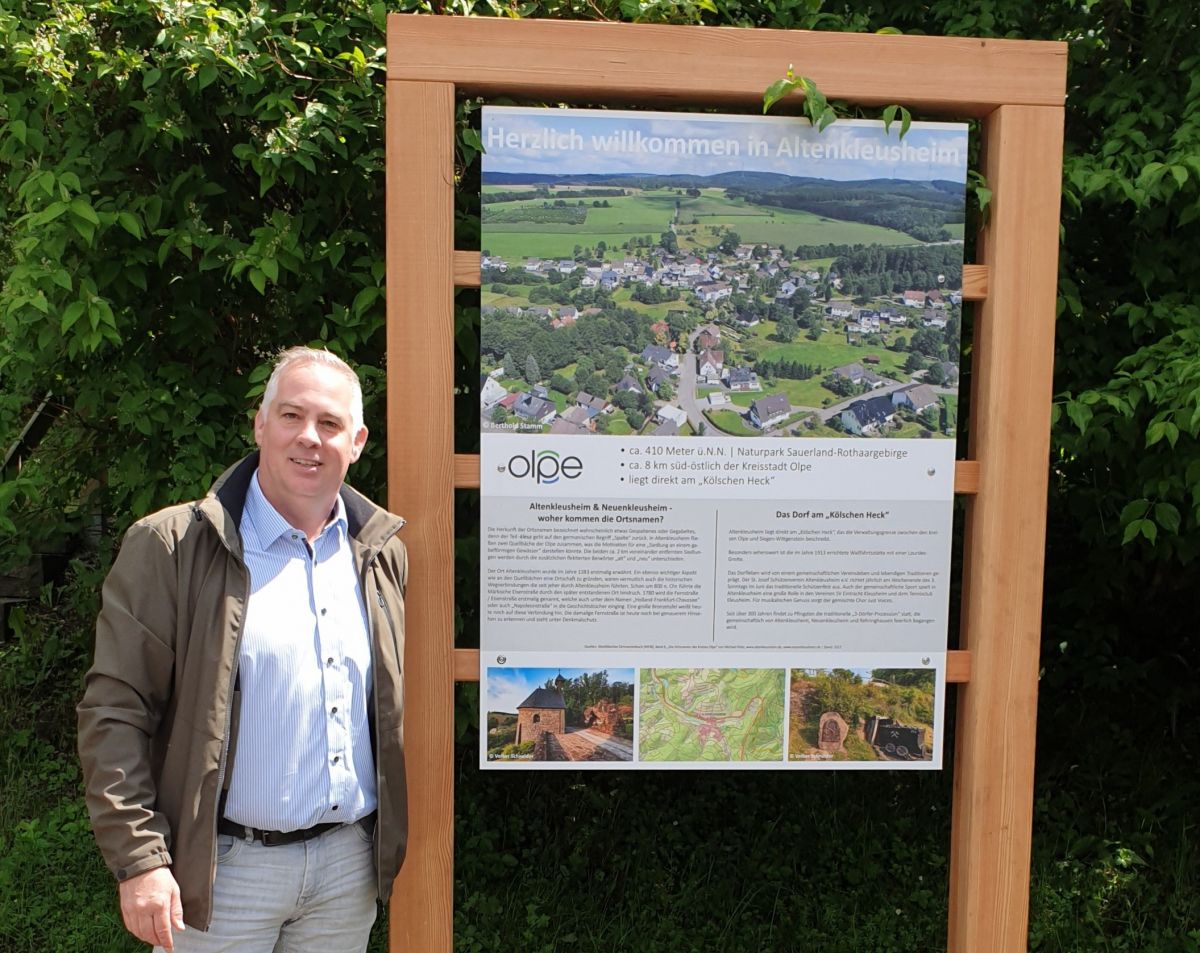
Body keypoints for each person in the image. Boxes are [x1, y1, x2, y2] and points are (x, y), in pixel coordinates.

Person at [77, 346, 408, 952]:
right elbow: (114, 711)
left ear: (356, 442)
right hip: (223, 874)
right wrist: (141, 860)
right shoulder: (174, 546)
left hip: (344, 871)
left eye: (330, 424)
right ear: (260, 423)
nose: (309, 437)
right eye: (292, 416)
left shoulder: (379, 552)